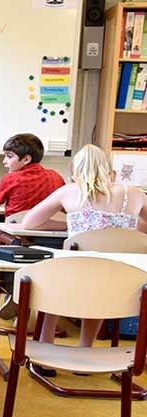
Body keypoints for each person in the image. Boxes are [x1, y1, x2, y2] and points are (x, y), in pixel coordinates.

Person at [21, 144, 147, 376]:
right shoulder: (136, 194)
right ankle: (86, 350)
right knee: (100, 282)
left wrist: (70, 222)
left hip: (73, 281)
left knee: (52, 282)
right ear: (112, 172)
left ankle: (45, 353)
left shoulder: (69, 191)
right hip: (120, 285)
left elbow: (30, 222)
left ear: (75, 173)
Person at [0, 133, 65, 319]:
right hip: (52, 244)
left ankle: (14, 288)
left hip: (16, 241)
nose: (4, 161)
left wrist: (5, 180)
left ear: (26, 159)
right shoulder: (56, 177)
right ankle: (39, 305)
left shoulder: (11, 179)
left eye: (9, 156)